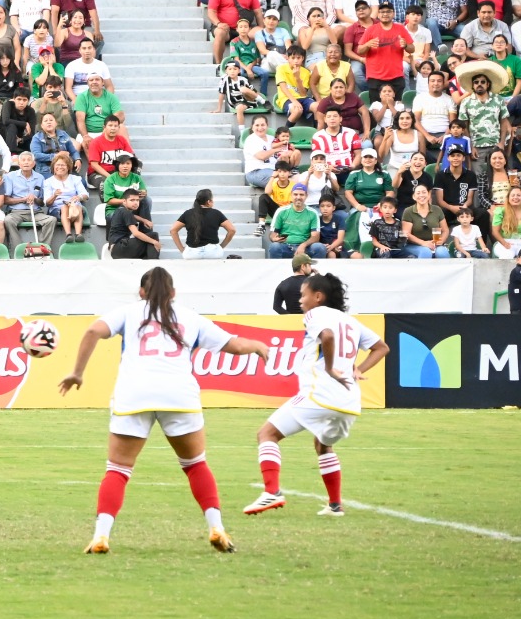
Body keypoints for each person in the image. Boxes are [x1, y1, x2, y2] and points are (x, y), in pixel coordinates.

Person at [59, 267, 271, 554]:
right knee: (196, 464)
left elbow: (93, 330)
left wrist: (77, 373)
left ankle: (101, 535)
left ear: (141, 292)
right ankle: (216, 527)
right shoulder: (190, 317)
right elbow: (233, 345)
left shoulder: (130, 312)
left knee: (118, 469)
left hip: (134, 394)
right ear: (173, 293)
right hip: (179, 394)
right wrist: (257, 345)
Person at [248, 272, 389, 517]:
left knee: (266, 434)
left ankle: (272, 492)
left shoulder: (315, 314)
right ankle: (335, 505)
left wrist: (330, 367)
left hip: (320, 394)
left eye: (303, 295)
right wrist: (358, 369)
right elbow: (382, 347)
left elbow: (327, 336)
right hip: (348, 401)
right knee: (323, 445)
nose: (300, 300)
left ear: (318, 296)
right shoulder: (350, 321)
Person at [170, 188, 235, 258]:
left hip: (192, 254)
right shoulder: (216, 213)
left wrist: (181, 249)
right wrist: (221, 246)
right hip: (213, 253)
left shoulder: (188, 213)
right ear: (208, 202)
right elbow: (232, 230)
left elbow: (173, 230)